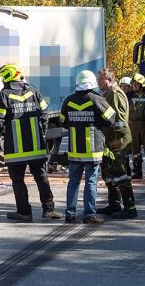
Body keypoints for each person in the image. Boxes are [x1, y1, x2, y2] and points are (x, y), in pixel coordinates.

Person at [0, 64, 62, 221]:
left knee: (17, 180)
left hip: (15, 148)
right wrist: (42, 133)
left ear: (7, 77)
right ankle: (49, 209)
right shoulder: (33, 90)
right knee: (41, 177)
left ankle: (24, 212)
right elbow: (44, 113)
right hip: (36, 144)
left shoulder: (4, 95)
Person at [60, 70, 115, 224]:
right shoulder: (96, 99)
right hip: (93, 150)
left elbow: (63, 121)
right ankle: (89, 214)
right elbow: (111, 119)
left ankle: (70, 213)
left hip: (75, 150)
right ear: (92, 82)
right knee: (91, 182)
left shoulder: (68, 100)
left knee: (73, 181)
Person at [96, 68, 137, 219]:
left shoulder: (115, 94)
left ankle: (130, 207)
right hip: (110, 140)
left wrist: (118, 139)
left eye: (100, 79)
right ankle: (114, 204)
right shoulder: (107, 93)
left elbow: (120, 120)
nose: (98, 82)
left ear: (108, 79)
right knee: (108, 171)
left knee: (119, 171)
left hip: (118, 140)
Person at [127, 73, 145, 179]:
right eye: (133, 84)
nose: (134, 86)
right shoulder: (130, 96)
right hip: (132, 124)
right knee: (135, 149)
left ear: (141, 84)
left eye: (136, 84)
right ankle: (137, 171)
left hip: (143, 124)